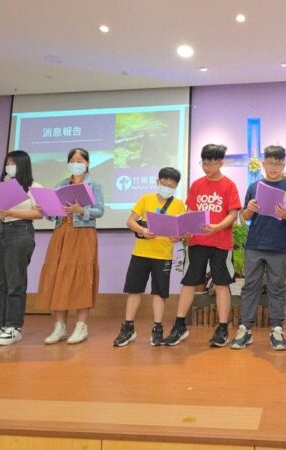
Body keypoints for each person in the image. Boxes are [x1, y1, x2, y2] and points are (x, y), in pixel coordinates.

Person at [165, 144, 242, 347]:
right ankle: (179, 326)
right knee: (189, 282)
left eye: (211, 163)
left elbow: (233, 214)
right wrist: (184, 229)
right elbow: (190, 212)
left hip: (221, 243)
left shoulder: (229, 185)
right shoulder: (197, 185)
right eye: (204, 163)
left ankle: (222, 328)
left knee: (222, 283)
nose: (206, 167)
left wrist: (216, 227)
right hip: (197, 242)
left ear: (220, 163)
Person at [231, 146, 286, 351]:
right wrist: (249, 209)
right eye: (270, 163)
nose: (273, 167)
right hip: (255, 245)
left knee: (277, 288)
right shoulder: (254, 187)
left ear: (283, 165)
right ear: (263, 164)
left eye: (278, 164)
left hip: (279, 246)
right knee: (250, 287)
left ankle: (276, 330)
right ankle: (245, 329)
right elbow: (245, 217)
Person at [37, 148, 105, 345]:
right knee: (59, 277)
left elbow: (99, 211)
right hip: (61, 233)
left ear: (87, 163)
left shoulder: (94, 185)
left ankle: (81, 326)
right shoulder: (60, 185)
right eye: (73, 160)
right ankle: (59, 326)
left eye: (80, 160)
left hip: (83, 234)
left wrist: (81, 210)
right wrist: (46, 209)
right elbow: (53, 215)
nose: (76, 164)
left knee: (82, 277)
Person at [114, 167, 187, 347]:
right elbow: (130, 221)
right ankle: (128, 328)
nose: (167, 187)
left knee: (159, 293)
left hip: (163, 255)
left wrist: (177, 237)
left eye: (171, 185)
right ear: (157, 182)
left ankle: (157, 328)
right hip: (140, 253)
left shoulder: (179, 205)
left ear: (176, 186)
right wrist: (143, 230)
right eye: (164, 183)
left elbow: (181, 232)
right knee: (134, 290)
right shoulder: (146, 199)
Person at [0, 151, 42, 347]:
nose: (9, 166)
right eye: (7, 163)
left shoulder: (34, 187)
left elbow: (38, 214)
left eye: (13, 163)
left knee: (15, 280)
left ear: (23, 165)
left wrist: (12, 211)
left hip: (20, 230)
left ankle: (14, 326)